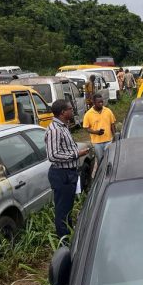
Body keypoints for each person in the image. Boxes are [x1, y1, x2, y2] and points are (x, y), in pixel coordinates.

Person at [45, 99, 90, 238]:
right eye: (70, 109)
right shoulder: (55, 130)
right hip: (61, 174)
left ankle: (69, 234)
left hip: (68, 173)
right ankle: (64, 241)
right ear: (63, 112)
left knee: (67, 207)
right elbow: (53, 155)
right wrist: (78, 153)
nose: (72, 110)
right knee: (62, 210)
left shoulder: (63, 127)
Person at [83, 93, 116, 164]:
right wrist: (96, 132)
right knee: (100, 161)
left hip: (108, 140)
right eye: (99, 102)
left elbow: (112, 124)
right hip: (97, 143)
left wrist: (114, 136)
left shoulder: (108, 111)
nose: (101, 103)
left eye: (102, 102)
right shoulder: (88, 114)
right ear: (94, 103)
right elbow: (86, 128)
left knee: (110, 159)